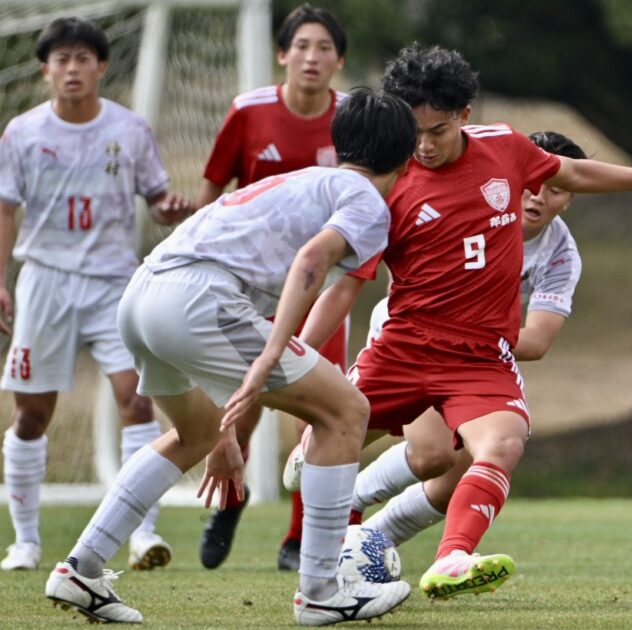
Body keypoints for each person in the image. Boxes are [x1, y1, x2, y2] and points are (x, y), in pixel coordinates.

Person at [224, 42, 632, 601]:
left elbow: (572, 171)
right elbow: (343, 287)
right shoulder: (386, 186)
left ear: (464, 115)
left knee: (503, 443)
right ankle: (320, 573)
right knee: (341, 437)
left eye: (437, 131)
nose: (424, 145)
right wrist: (292, 356)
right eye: (413, 132)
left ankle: (452, 558)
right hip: (403, 347)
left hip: (479, 355)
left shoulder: (506, 148)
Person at [43, 89, 417, 625]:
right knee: (347, 411)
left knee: (194, 435)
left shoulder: (301, 181)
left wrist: (225, 435)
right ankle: (321, 590)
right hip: (199, 300)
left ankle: (81, 568)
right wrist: (271, 351)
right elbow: (313, 260)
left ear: (338, 144)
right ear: (406, 160)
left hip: (144, 294)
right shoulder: (366, 201)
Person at [284, 131, 588, 548]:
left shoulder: (561, 254)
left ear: (570, 198)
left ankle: (371, 541)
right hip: (409, 339)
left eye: (555, 190)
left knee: (449, 478)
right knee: (432, 453)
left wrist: (469, 332)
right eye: (533, 182)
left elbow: (535, 341)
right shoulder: (471, 199)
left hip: (478, 352)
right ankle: (335, 486)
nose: (538, 196)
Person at [0, 17, 192, 572]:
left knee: (137, 400)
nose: (72, 69)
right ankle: (25, 542)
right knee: (32, 414)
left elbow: (156, 197)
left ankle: (142, 535)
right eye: (61, 59)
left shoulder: (130, 130)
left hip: (113, 283)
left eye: (83, 58)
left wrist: (168, 209)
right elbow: (5, 210)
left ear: (101, 66)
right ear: (45, 70)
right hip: (45, 281)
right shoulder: (22, 133)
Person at [195, 3, 350, 573]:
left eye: (324, 47)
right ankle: (229, 503)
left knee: (319, 408)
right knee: (244, 404)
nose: (312, 57)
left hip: (322, 285)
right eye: (302, 46)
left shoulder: (351, 119)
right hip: (250, 286)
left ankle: (298, 538)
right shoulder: (249, 111)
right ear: (282, 54)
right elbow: (211, 193)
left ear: (339, 60)